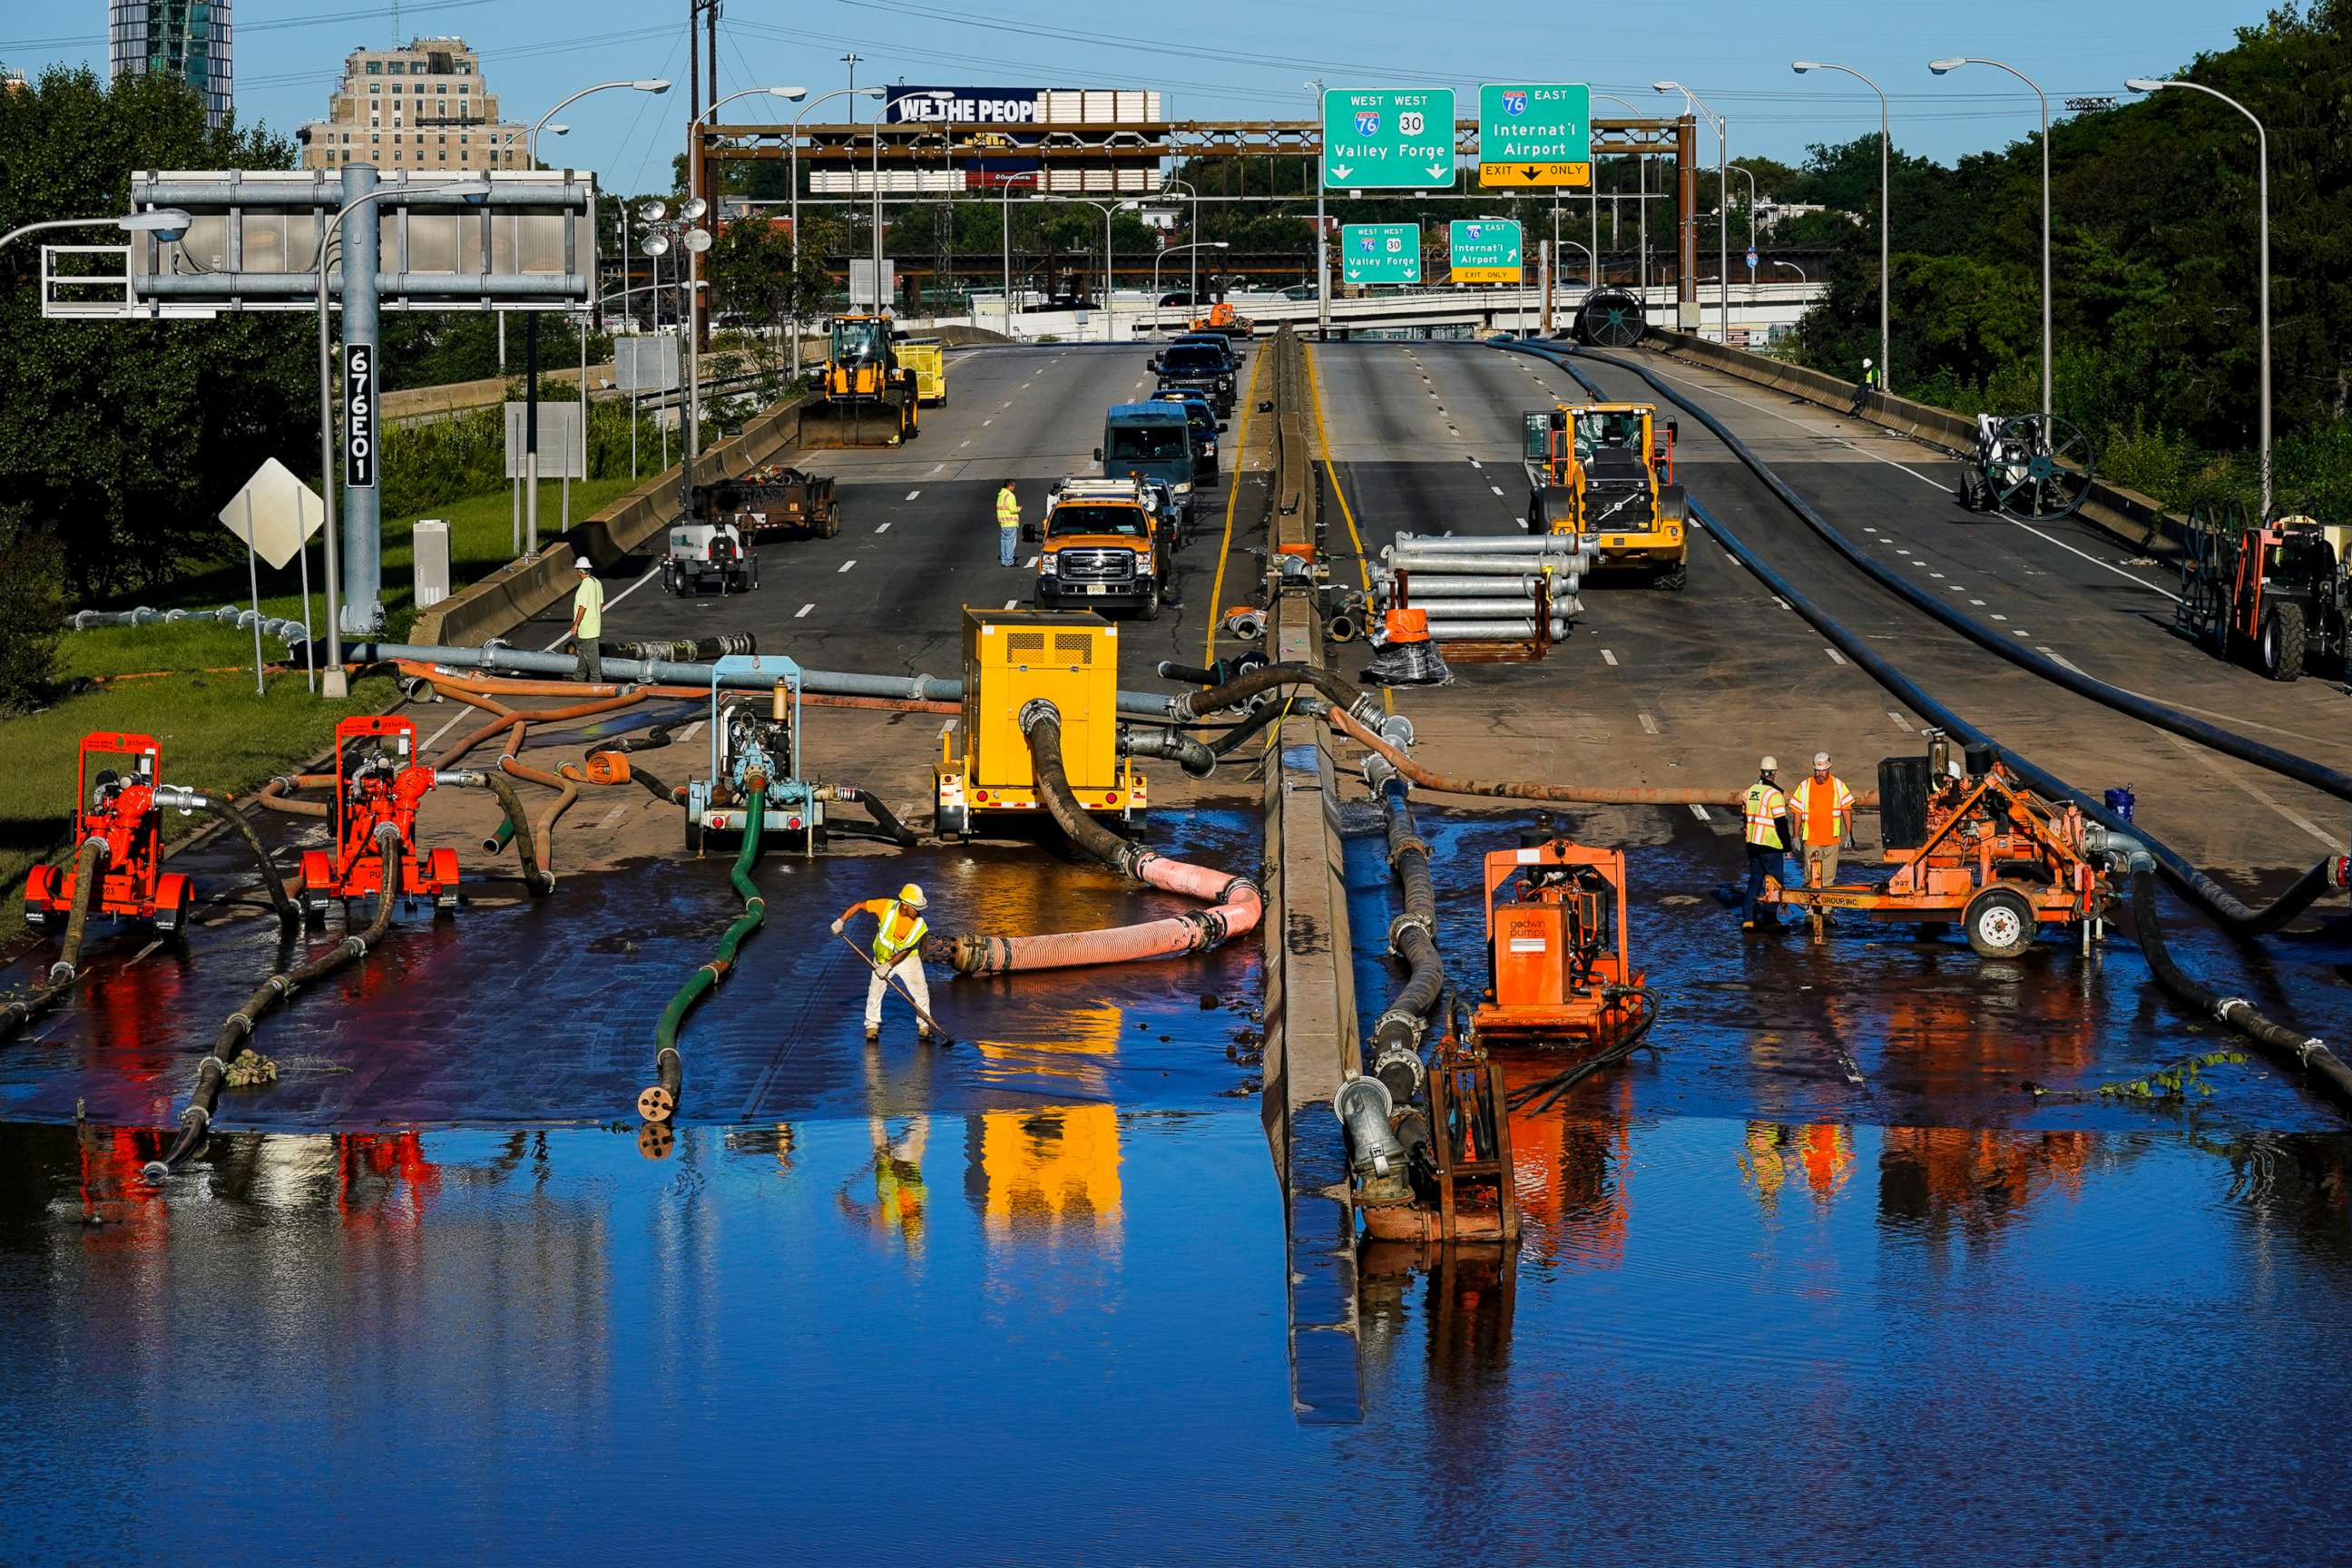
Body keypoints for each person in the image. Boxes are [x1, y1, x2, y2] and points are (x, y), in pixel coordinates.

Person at [835, 882, 935, 1044]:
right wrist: (841, 921)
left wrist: (889, 966)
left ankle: (924, 1026)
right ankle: (871, 1026)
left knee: (921, 992)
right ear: (905, 905)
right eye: (916, 908)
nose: (919, 912)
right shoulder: (886, 906)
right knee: (875, 991)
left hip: (907, 959)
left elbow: (906, 950)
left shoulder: (920, 926)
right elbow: (860, 906)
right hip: (881, 958)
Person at [1788, 751, 1857, 894]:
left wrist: (1849, 834)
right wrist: (1795, 836)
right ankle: (1811, 910)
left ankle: (1825, 911)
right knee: (1810, 878)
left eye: (1823, 771)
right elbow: (1797, 813)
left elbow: (1846, 811)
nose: (1820, 774)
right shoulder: (1805, 786)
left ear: (1829, 769)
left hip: (1831, 841)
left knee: (1828, 880)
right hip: (1811, 841)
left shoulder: (1838, 785)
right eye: (1817, 771)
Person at [1741, 755, 1795, 930]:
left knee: (1755, 880)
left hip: (1753, 844)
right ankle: (1770, 919)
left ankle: (1748, 919)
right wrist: (1787, 847)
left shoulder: (1750, 792)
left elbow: (1745, 818)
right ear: (1775, 773)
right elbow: (1781, 823)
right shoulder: (1775, 795)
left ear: (1760, 772)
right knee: (1775, 883)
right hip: (1771, 845)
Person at [567, 556, 603, 682]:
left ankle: (596, 680)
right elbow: (600, 604)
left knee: (591, 655)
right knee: (583, 651)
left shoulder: (585, 586)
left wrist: (576, 624)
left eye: (577, 570)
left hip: (587, 627)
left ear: (580, 571)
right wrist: (595, 616)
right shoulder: (596, 582)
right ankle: (579, 676)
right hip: (594, 625)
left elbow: (583, 607)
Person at [996, 479, 1021, 568]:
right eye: (1013, 486)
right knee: (1010, 543)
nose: (1014, 488)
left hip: (1003, 523)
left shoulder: (1001, 495)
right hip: (1010, 523)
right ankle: (1010, 561)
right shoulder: (1010, 495)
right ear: (1009, 486)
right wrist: (1018, 509)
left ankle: (1004, 560)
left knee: (1004, 542)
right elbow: (1012, 509)